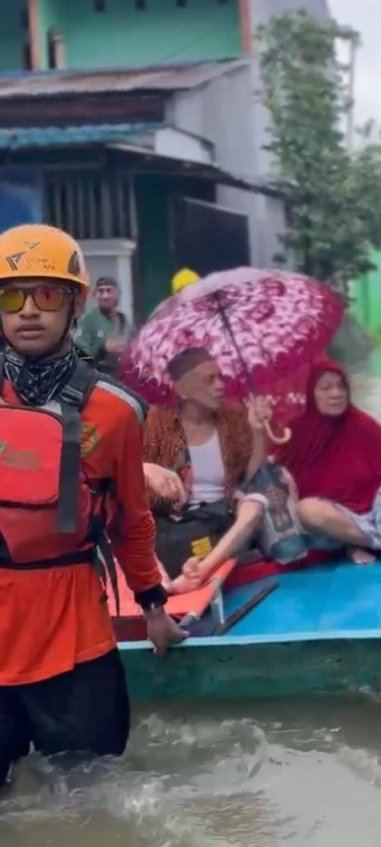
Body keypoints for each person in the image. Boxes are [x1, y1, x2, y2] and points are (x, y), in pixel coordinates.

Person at [0, 224, 185, 789]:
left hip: (73, 630)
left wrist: (153, 606)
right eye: (12, 296)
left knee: (90, 799)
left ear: (76, 303)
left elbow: (132, 518)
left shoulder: (116, 411)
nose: (28, 311)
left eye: (47, 294)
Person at [276, 360, 381, 565]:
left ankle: (359, 542)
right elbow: (276, 476)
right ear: (310, 394)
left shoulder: (360, 422)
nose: (336, 393)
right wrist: (259, 431)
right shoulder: (296, 431)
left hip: (374, 513)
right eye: (326, 388)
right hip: (333, 526)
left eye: (341, 386)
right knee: (307, 510)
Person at [141, 347, 271, 588]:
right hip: (176, 523)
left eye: (220, 377)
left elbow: (251, 478)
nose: (220, 385)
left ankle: (200, 572)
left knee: (254, 506)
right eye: (209, 380)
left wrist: (258, 432)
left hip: (223, 519)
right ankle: (192, 572)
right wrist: (165, 490)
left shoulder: (234, 418)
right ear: (182, 389)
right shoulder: (156, 423)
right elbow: (133, 482)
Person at [76, 276, 131, 376]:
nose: (105, 296)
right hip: (97, 377)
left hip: (121, 376)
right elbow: (80, 355)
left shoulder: (123, 320)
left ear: (118, 294)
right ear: (95, 295)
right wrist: (103, 348)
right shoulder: (88, 320)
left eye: (109, 291)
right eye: (101, 291)